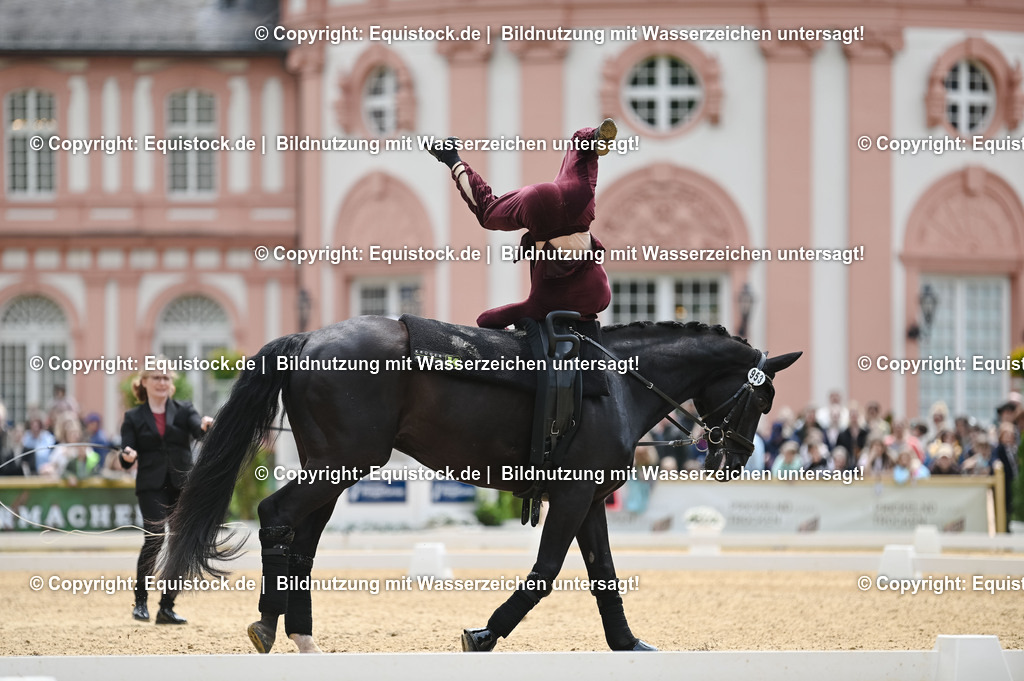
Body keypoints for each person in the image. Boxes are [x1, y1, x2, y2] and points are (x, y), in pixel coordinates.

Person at [428, 120, 618, 329]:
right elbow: (486, 320)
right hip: (539, 207)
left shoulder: (600, 297)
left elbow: (485, 318)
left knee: (579, 152)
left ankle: (591, 138)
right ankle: (450, 157)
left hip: (577, 206)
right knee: (487, 210)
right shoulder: (543, 305)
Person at [119, 365, 213, 625]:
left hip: (181, 484)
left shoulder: (184, 410)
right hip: (151, 486)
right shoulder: (134, 417)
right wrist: (126, 455)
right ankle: (140, 602)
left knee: (180, 543)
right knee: (155, 538)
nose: (161, 382)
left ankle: (167, 606)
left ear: (170, 383)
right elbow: (126, 451)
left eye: (165, 378)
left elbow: (199, 431)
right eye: (156, 377)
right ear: (145, 382)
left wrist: (206, 426)